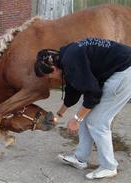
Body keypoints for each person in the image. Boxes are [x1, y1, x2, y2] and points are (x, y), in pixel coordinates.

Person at [34, 38, 131, 180]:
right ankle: (80, 158)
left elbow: (93, 94)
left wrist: (76, 119)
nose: (51, 79)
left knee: (98, 121)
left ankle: (109, 166)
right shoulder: (66, 55)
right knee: (88, 115)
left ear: (53, 68)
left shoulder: (71, 61)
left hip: (124, 72)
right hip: (120, 68)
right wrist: (60, 113)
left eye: (49, 76)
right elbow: (74, 87)